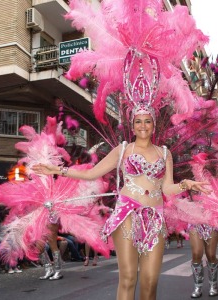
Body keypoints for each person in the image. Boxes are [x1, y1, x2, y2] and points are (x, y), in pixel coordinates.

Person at [32, 103, 211, 300]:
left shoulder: (165, 153)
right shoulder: (123, 150)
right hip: (127, 214)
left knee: (150, 282)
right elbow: (92, 173)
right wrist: (58, 170)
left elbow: (167, 189)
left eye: (147, 121)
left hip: (155, 218)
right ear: (133, 126)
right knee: (127, 279)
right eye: (138, 122)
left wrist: (186, 184)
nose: (143, 126)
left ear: (153, 125)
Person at [189, 224, 218, 298]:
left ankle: (213, 285)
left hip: (211, 218)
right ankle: (198, 286)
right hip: (194, 218)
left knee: (211, 255)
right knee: (196, 254)